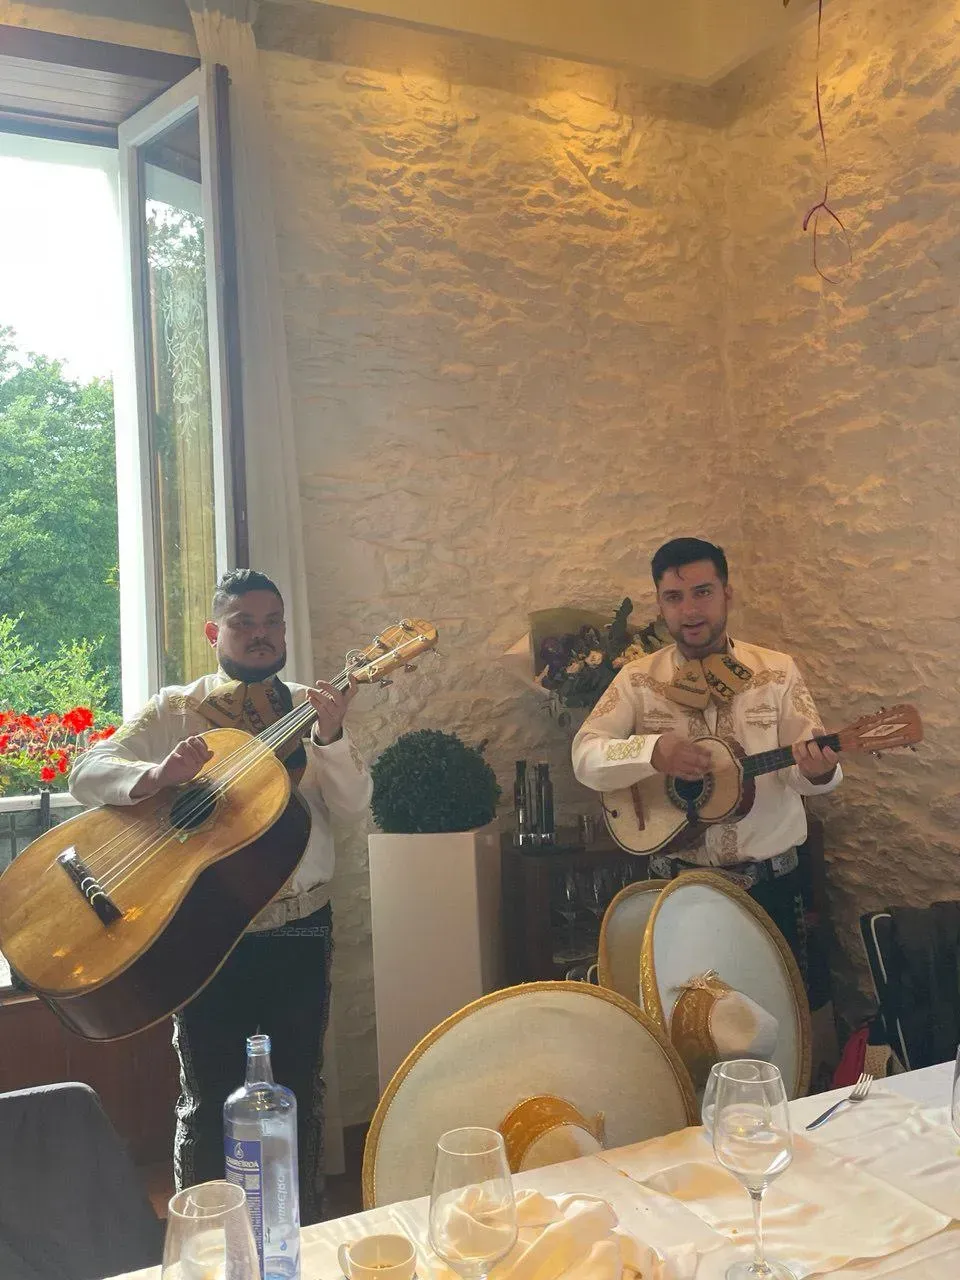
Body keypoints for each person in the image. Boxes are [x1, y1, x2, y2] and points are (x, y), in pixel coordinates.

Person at [69, 568, 371, 1223]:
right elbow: (84, 773)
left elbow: (352, 807)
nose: (260, 636)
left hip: (298, 922)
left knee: (296, 1087)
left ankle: (300, 1231)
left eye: (272, 623)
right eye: (244, 623)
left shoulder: (308, 703)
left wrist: (331, 738)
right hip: (205, 931)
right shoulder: (178, 707)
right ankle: (205, 1238)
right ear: (214, 632)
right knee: (207, 1090)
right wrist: (157, 774)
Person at [571, 537, 840, 971]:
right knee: (684, 1026)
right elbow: (584, 756)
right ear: (660, 605)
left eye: (703, 592)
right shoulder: (637, 680)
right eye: (674, 597)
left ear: (727, 593)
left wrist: (820, 772)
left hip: (770, 888)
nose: (690, 610)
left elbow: (803, 767)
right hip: (675, 891)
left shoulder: (776, 671)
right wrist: (651, 752)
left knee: (781, 1027)